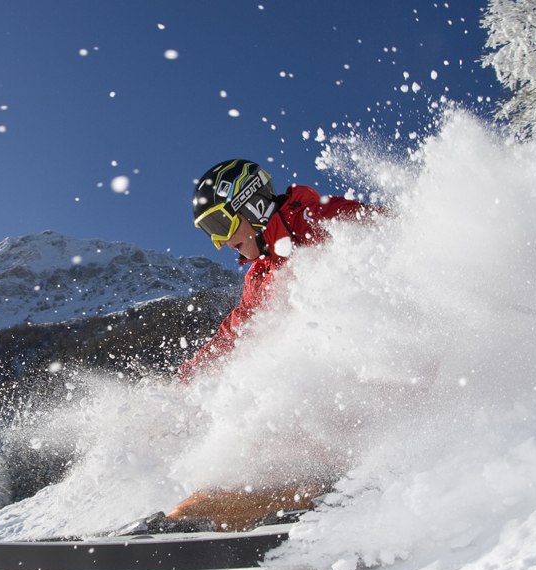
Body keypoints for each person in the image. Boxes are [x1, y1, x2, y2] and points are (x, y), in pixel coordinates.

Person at [148, 158, 381, 533]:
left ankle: (281, 494)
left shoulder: (319, 219)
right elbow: (234, 334)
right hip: (337, 395)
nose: (220, 241)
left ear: (252, 204)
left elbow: (397, 236)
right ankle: (249, 496)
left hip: (382, 369)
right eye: (209, 232)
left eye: (220, 224)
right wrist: (184, 380)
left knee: (284, 403)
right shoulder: (261, 276)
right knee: (262, 404)